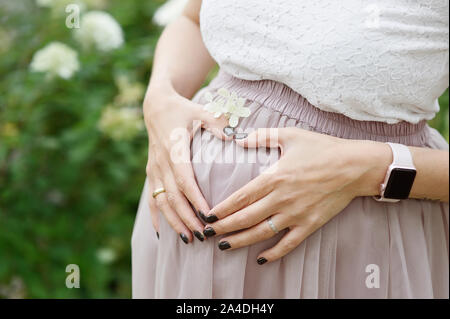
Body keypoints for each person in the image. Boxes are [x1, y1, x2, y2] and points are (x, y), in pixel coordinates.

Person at [131, 0, 449, 298]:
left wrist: (368, 167)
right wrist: (161, 96)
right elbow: (192, 19)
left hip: (352, 239)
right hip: (182, 231)